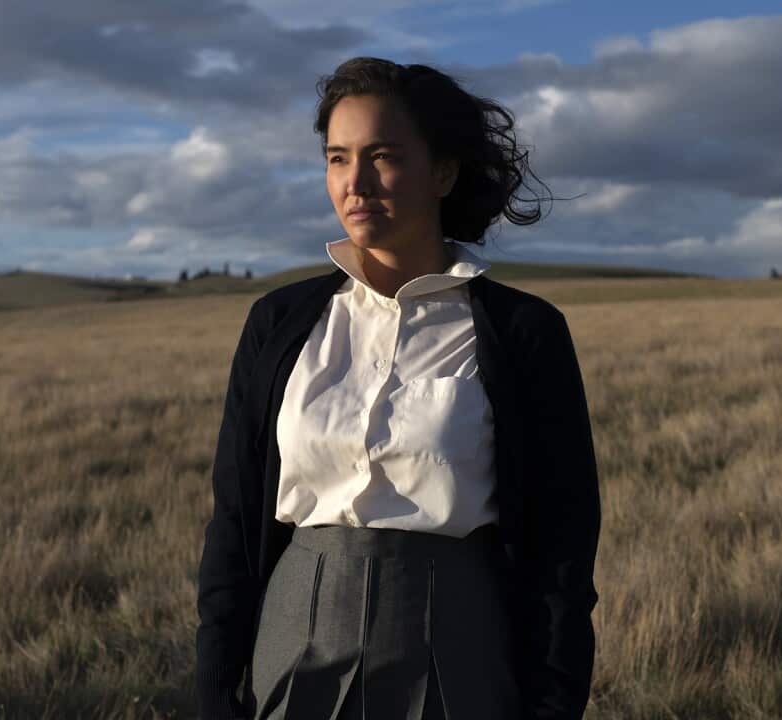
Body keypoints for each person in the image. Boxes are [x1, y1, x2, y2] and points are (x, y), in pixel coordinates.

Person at [195, 56, 602, 720]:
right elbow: (235, 520)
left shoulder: (523, 332)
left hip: (459, 641)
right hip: (294, 637)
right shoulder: (279, 323)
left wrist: (554, 701)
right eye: (337, 158)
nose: (354, 183)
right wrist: (216, 689)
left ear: (443, 172)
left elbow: (564, 544)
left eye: (382, 157)